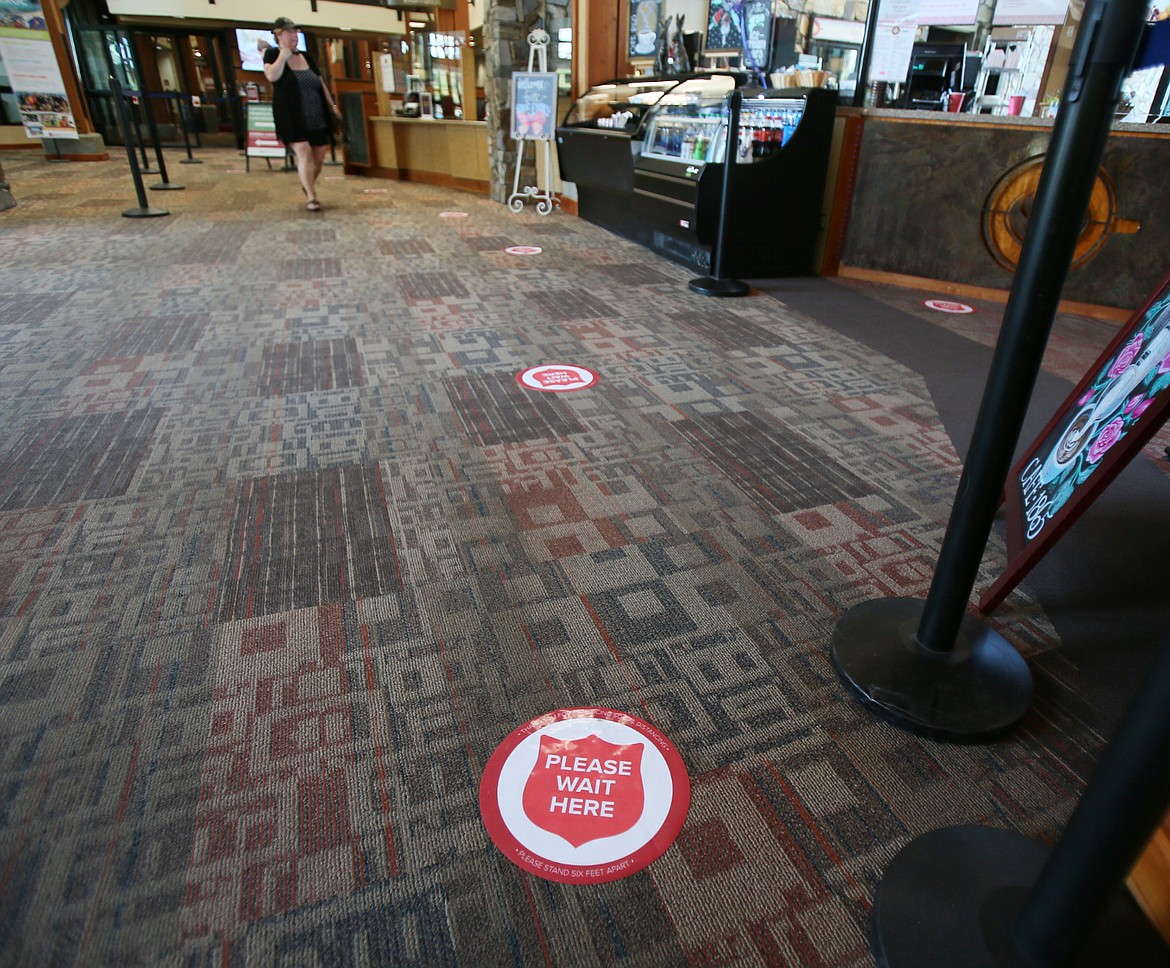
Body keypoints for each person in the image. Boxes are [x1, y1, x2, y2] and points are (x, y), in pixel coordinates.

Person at [263, 17, 342, 211]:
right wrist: (283, 55)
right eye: (289, 32)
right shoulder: (272, 55)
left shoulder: (307, 56)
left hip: (316, 113)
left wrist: (332, 105)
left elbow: (320, 82)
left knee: (320, 156)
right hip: (291, 115)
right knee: (304, 151)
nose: (294, 36)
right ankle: (312, 197)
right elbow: (272, 76)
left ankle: (307, 184)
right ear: (278, 35)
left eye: (295, 32)